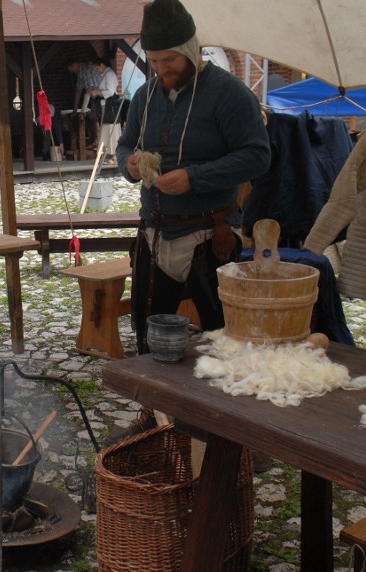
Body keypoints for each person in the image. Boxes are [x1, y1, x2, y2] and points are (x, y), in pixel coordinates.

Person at [111, 0, 271, 443]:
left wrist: (196, 177)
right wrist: (130, 166)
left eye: (169, 60)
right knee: (148, 327)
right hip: (154, 229)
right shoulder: (145, 95)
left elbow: (258, 155)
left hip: (210, 230)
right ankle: (154, 414)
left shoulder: (228, 93)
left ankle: (234, 427)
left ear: (191, 49)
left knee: (223, 333)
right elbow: (124, 146)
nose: (162, 68)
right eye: (155, 60)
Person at [85, 57, 121, 164]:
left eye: (97, 67)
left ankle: (115, 155)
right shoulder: (105, 74)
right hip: (105, 105)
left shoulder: (109, 74)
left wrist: (96, 92)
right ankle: (109, 153)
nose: (97, 70)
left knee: (112, 129)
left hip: (111, 105)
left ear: (101, 65)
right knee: (105, 129)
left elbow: (110, 91)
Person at [67, 59, 103, 150]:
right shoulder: (80, 73)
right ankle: (96, 141)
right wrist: (75, 110)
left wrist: (83, 109)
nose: (71, 72)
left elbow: (89, 89)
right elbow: (78, 91)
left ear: (74, 65)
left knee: (97, 118)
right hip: (94, 96)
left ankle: (98, 141)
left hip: (101, 95)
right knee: (93, 118)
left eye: (70, 69)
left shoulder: (87, 69)